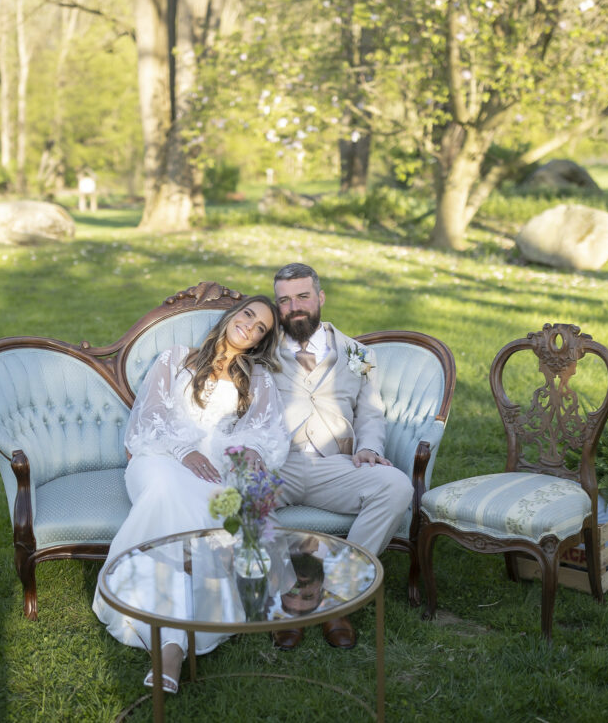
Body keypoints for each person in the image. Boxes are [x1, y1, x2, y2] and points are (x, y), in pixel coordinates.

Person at [91, 295, 289, 694]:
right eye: (247, 315)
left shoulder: (259, 380)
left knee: (195, 510)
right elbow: (148, 418)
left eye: (260, 328)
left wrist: (248, 450)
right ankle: (176, 640)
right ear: (232, 315)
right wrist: (185, 450)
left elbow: (268, 435)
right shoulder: (175, 358)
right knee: (166, 491)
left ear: (259, 341)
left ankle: (171, 645)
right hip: (158, 460)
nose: (249, 327)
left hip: (210, 473)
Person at [270, 263, 411, 651]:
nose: (294, 307)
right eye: (284, 300)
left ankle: (336, 596)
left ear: (320, 297)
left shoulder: (356, 353)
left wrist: (369, 448)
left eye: (302, 296)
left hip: (336, 465)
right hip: (278, 464)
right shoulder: (261, 350)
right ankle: (290, 598)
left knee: (396, 487)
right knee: (235, 496)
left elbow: (370, 411)